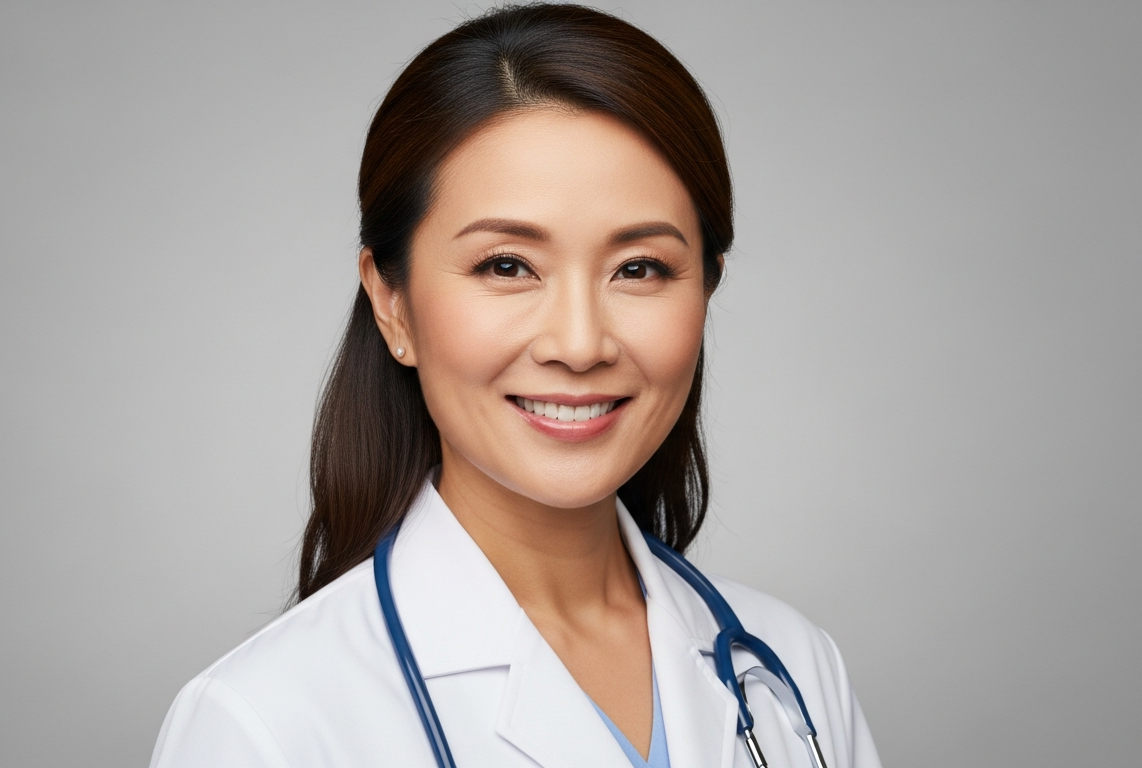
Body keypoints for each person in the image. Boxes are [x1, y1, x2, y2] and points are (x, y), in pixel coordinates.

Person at [150, 4, 881, 767]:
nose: (579, 345)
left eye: (639, 268)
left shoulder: (792, 670)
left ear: (706, 287)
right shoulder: (263, 723)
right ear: (391, 302)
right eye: (507, 266)